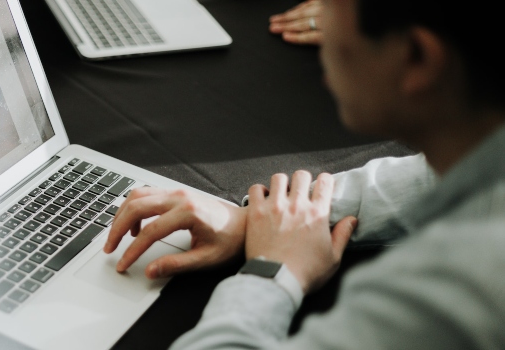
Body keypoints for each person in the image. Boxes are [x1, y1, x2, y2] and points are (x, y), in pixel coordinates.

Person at [104, 0, 505, 348]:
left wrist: (272, 271)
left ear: (417, 57)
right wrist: (261, 220)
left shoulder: (462, 285)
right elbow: (426, 179)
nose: (320, 24)